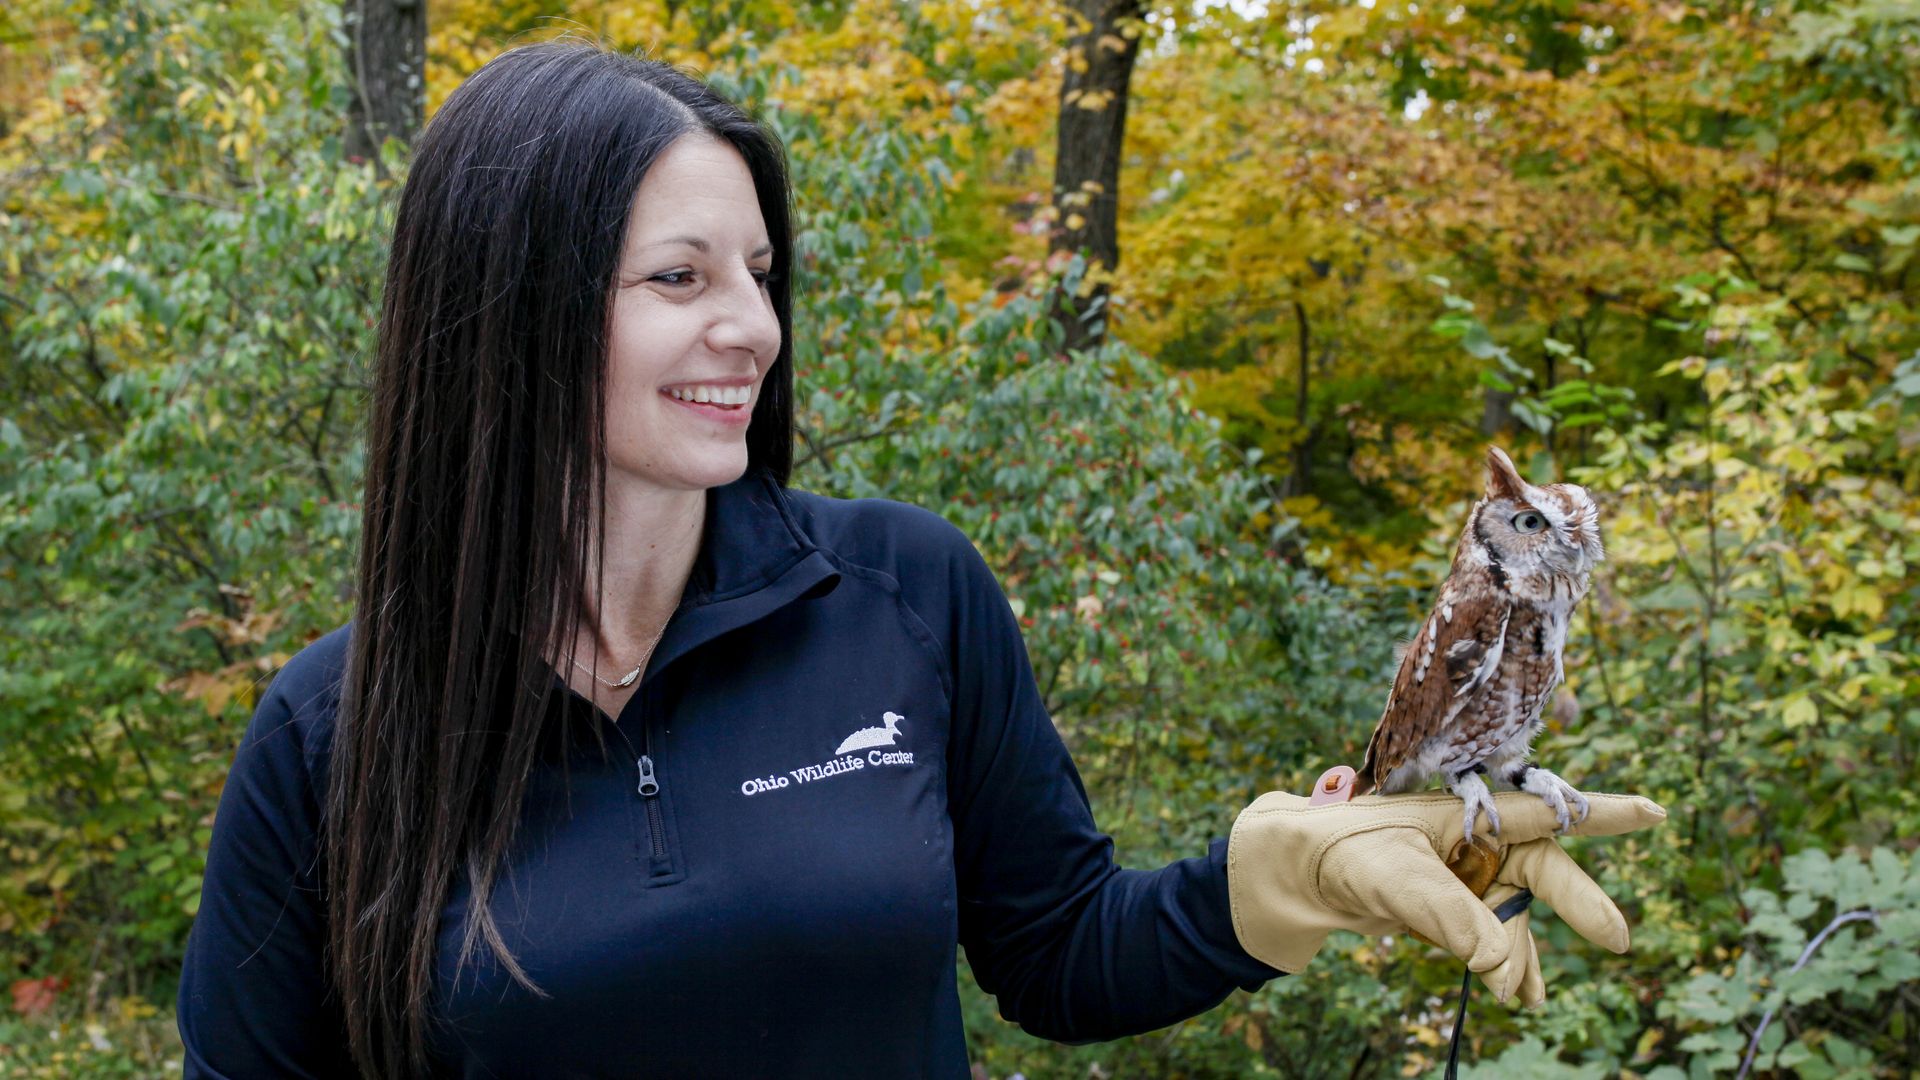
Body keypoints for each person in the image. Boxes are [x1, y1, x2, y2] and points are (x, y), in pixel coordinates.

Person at [175, 40, 1665, 1079]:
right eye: (678, 279)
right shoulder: (335, 735)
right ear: (515, 312)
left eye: (759, 274)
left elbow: (1066, 952)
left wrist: (1267, 886)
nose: (749, 327)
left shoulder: (901, 596)